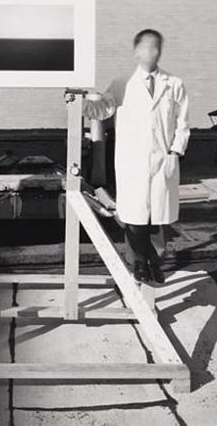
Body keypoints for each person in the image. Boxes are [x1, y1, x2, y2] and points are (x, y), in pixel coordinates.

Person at [65, 28, 190, 286]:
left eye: (154, 47)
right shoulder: (122, 83)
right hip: (132, 161)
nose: (149, 52)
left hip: (161, 160)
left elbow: (183, 122)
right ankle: (140, 263)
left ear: (159, 51)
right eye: (144, 47)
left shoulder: (174, 84)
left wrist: (175, 150)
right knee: (134, 217)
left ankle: (154, 261)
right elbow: (102, 109)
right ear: (136, 52)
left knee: (156, 218)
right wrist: (77, 101)